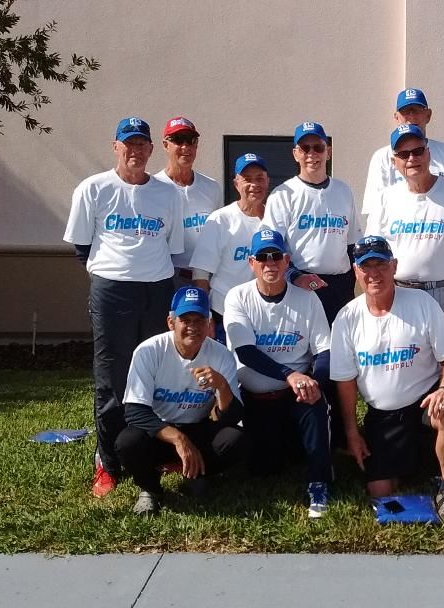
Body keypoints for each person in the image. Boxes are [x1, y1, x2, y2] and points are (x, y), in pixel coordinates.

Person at [63, 116, 184, 498]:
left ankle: (156, 454)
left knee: (156, 373)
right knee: (111, 380)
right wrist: (114, 274)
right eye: (128, 144)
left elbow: (173, 246)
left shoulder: (168, 194)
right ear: (116, 147)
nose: (135, 151)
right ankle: (109, 464)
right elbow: (82, 248)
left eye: (141, 144)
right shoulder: (93, 188)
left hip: (157, 290)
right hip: (112, 291)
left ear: (151, 149)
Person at [330, 236, 444, 522]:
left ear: (394, 266)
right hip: (384, 416)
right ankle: (423, 464)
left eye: (381, 265)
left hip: (425, 402)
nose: (374, 273)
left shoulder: (421, 302)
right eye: (365, 266)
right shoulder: (346, 317)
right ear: (355, 271)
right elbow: (345, 381)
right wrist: (352, 433)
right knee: (380, 490)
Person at [223, 229, 333, 518]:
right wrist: (290, 374)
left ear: (286, 261)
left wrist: (315, 383)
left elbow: (324, 351)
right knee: (265, 468)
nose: (269, 263)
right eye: (262, 257)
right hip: (256, 399)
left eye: (276, 256)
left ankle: (319, 482)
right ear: (251, 263)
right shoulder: (238, 296)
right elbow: (245, 352)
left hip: (295, 395)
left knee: (316, 406)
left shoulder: (307, 298)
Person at [114, 286, 245, 516]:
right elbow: (134, 412)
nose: (193, 326)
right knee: (128, 443)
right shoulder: (149, 351)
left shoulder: (220, 354)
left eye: (199, 320)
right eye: (185, 320)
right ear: (171, 322)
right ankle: (150, 488)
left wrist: (222, 386)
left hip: (198, 427)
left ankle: (198, 474)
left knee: (235, 439)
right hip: (159, 430)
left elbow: (232, 416)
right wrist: (179, 439)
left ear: (209, 323)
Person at [365, 124, 444, 330]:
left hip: (443, 291)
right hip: (398, 292)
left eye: (418, 151)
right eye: (404, 154)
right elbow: (372, 256)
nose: (412, 158)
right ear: (394, 162)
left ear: (428, 154)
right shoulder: (385, 198)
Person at [262, 122, 362, 325]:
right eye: (305, 148)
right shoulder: (282, 195)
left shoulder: (343, 190)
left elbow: (352, 244)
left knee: (340, 342)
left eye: (318, 147)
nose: (311, 154)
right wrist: (295, 277)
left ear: (328, 152)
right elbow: (271, 249)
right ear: (295, 154)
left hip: (340, 287)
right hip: (301, 285)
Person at [190, 153, 268, 345]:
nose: (254, 185)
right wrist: (206, 316)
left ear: (267, 181)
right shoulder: (220, 220)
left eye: (259, 178)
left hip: (264, 316)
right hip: (224, 315)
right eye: (247, 179)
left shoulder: (276, 219)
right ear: (236, 184)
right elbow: (201, 274)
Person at [362, 87, 444, 217]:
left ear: (428, 115)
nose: (411, 117)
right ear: (397, 117)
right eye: (406, 112)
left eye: (417, 110)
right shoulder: (381, 157)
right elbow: (374, 210)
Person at [153, 116, 223, 286]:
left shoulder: (211, 187)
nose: (185, 147)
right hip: (169, 277)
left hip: (208, 276)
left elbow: (219, 235)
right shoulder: (152, 188)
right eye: (178, 140)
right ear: (165, 145)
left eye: (190, 140)